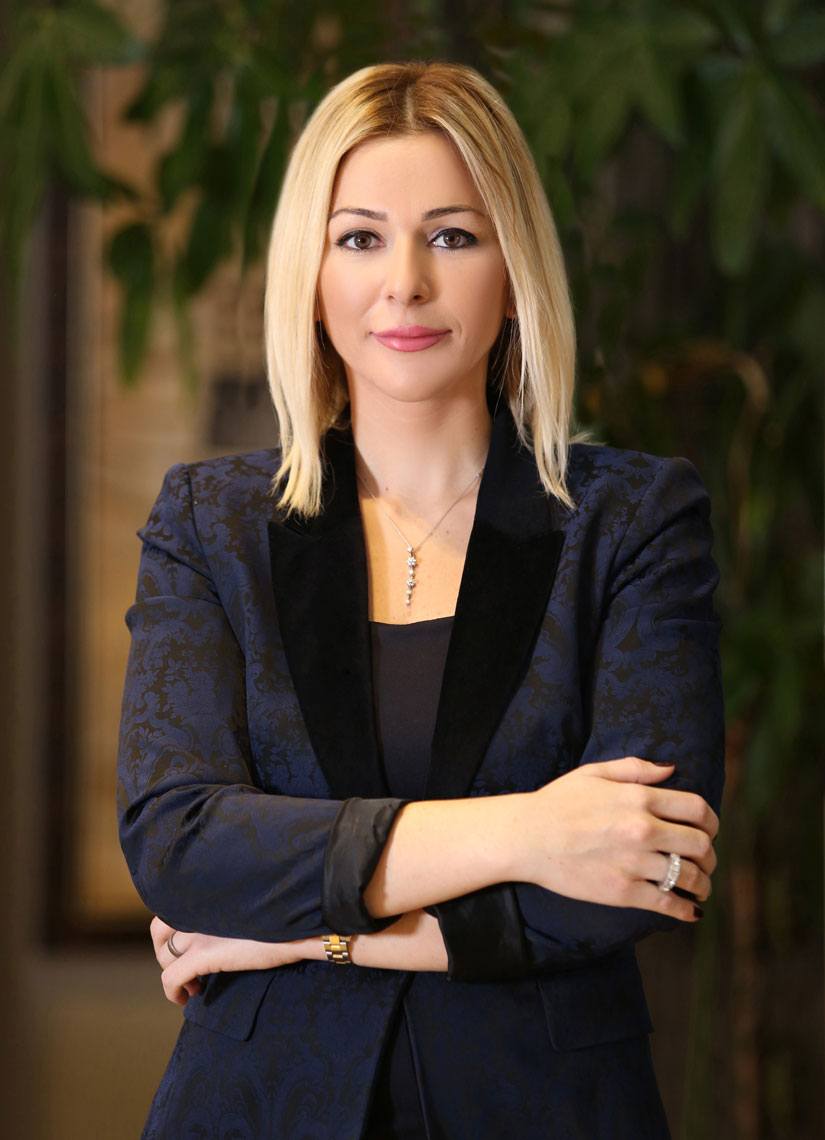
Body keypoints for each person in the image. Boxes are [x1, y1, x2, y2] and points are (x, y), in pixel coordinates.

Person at [117, 60, 724, 1139]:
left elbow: (642, 867)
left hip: (543, 1107)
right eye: (359, 238)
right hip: (258, 1108)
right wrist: (530, 829)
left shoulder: (633, 520)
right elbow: (181, 843)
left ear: (514, 269)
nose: (404, 283)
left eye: (451, 236)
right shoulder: (209, 523)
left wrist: (300, 933)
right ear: (310, 272)